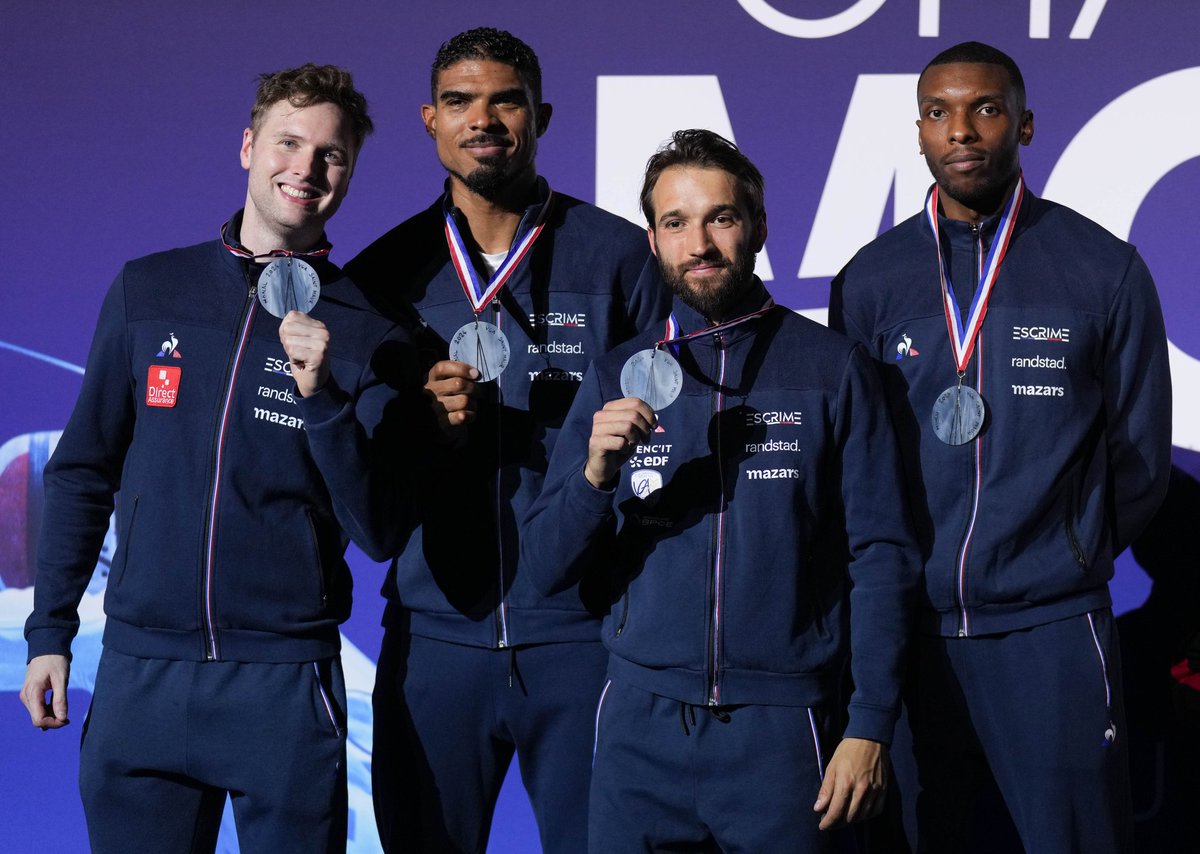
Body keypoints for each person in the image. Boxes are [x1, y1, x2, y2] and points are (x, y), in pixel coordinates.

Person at [20, 63, 420, 853]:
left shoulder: (373, 332)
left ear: (349, 175)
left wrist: (323, 396)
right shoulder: (150, 289)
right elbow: (81, 471)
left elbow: (376, 527)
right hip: (143, 677)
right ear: (247, 146)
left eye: (330, 155)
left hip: (282, 684)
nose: (304, 169)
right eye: (288, 142)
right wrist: (50, 634)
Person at [521, 128, 921, 851]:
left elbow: (883, 556)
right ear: (653, 239)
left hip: (780, 736)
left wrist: (870, 725)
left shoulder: (834, 370)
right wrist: (592, 475)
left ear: (760, 227)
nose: (698, 242)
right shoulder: (617, 372)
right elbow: (545, 569)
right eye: (675, 222)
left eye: (721, 218)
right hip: (637, 732)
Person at [829, 41, 1172, 853]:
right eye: (940, 113)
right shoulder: (869, 282)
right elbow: (856, 465)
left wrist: (1068, 549)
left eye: (985, 109)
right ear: (918, 133)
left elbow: (1140, 456)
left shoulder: (1103, 271)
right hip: (910, 634)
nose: (964, 131)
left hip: (1050, 631)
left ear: (1024, 124)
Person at [346, 27, 670, 854]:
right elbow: (364, 477)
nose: (482, 119)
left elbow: (666, 448)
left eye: (505, 100)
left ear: (542, 114)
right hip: (437, 633)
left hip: (586, 636)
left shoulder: (619, 258)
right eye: (459, 102)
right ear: (429, 120)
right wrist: (418, 429)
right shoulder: (385, 274)